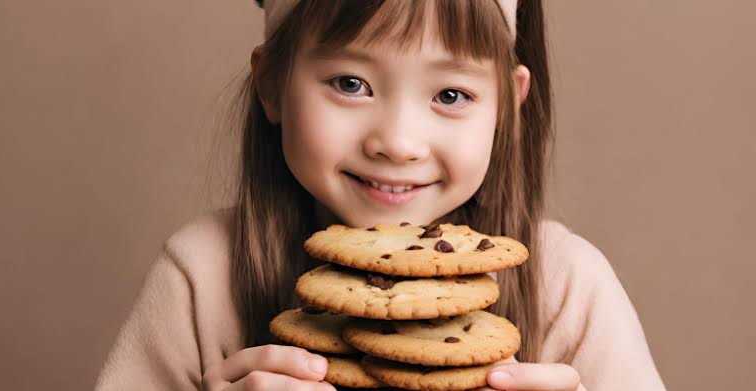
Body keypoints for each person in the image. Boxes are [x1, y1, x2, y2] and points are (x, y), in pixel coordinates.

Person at [94, 1, 666, 390]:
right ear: (271, 84)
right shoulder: (203, 273)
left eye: (450, 93)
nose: (397, 142)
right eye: (351, 84)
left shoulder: (566, 284)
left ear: (507, 108)